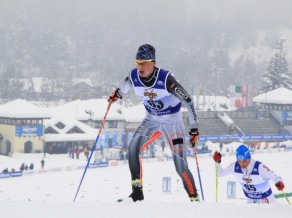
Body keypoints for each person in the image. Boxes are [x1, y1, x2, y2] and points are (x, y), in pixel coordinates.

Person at [109, 44, 200, 202]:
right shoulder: (133, 76)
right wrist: (117, 95)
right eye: (137, 62)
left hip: (172, 122)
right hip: (151, 119)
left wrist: (194, 129)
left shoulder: (165, 79)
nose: (140, 67)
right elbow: (123, 88)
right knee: (132, 148)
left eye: (144, 63)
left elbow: (188, 100)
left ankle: (194, 198)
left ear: (153, 63)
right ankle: (137, 192)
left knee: (180, 165)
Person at [213, 144, 285, 203]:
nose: (242, 164)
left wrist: (279, 183)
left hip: (266, 199)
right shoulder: (235, 166)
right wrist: (217, 162)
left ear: (249, 158)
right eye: (239, 161)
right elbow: (220, 174)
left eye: (244, 161)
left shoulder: (259, 167)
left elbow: (275, 177)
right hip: (250, 200)